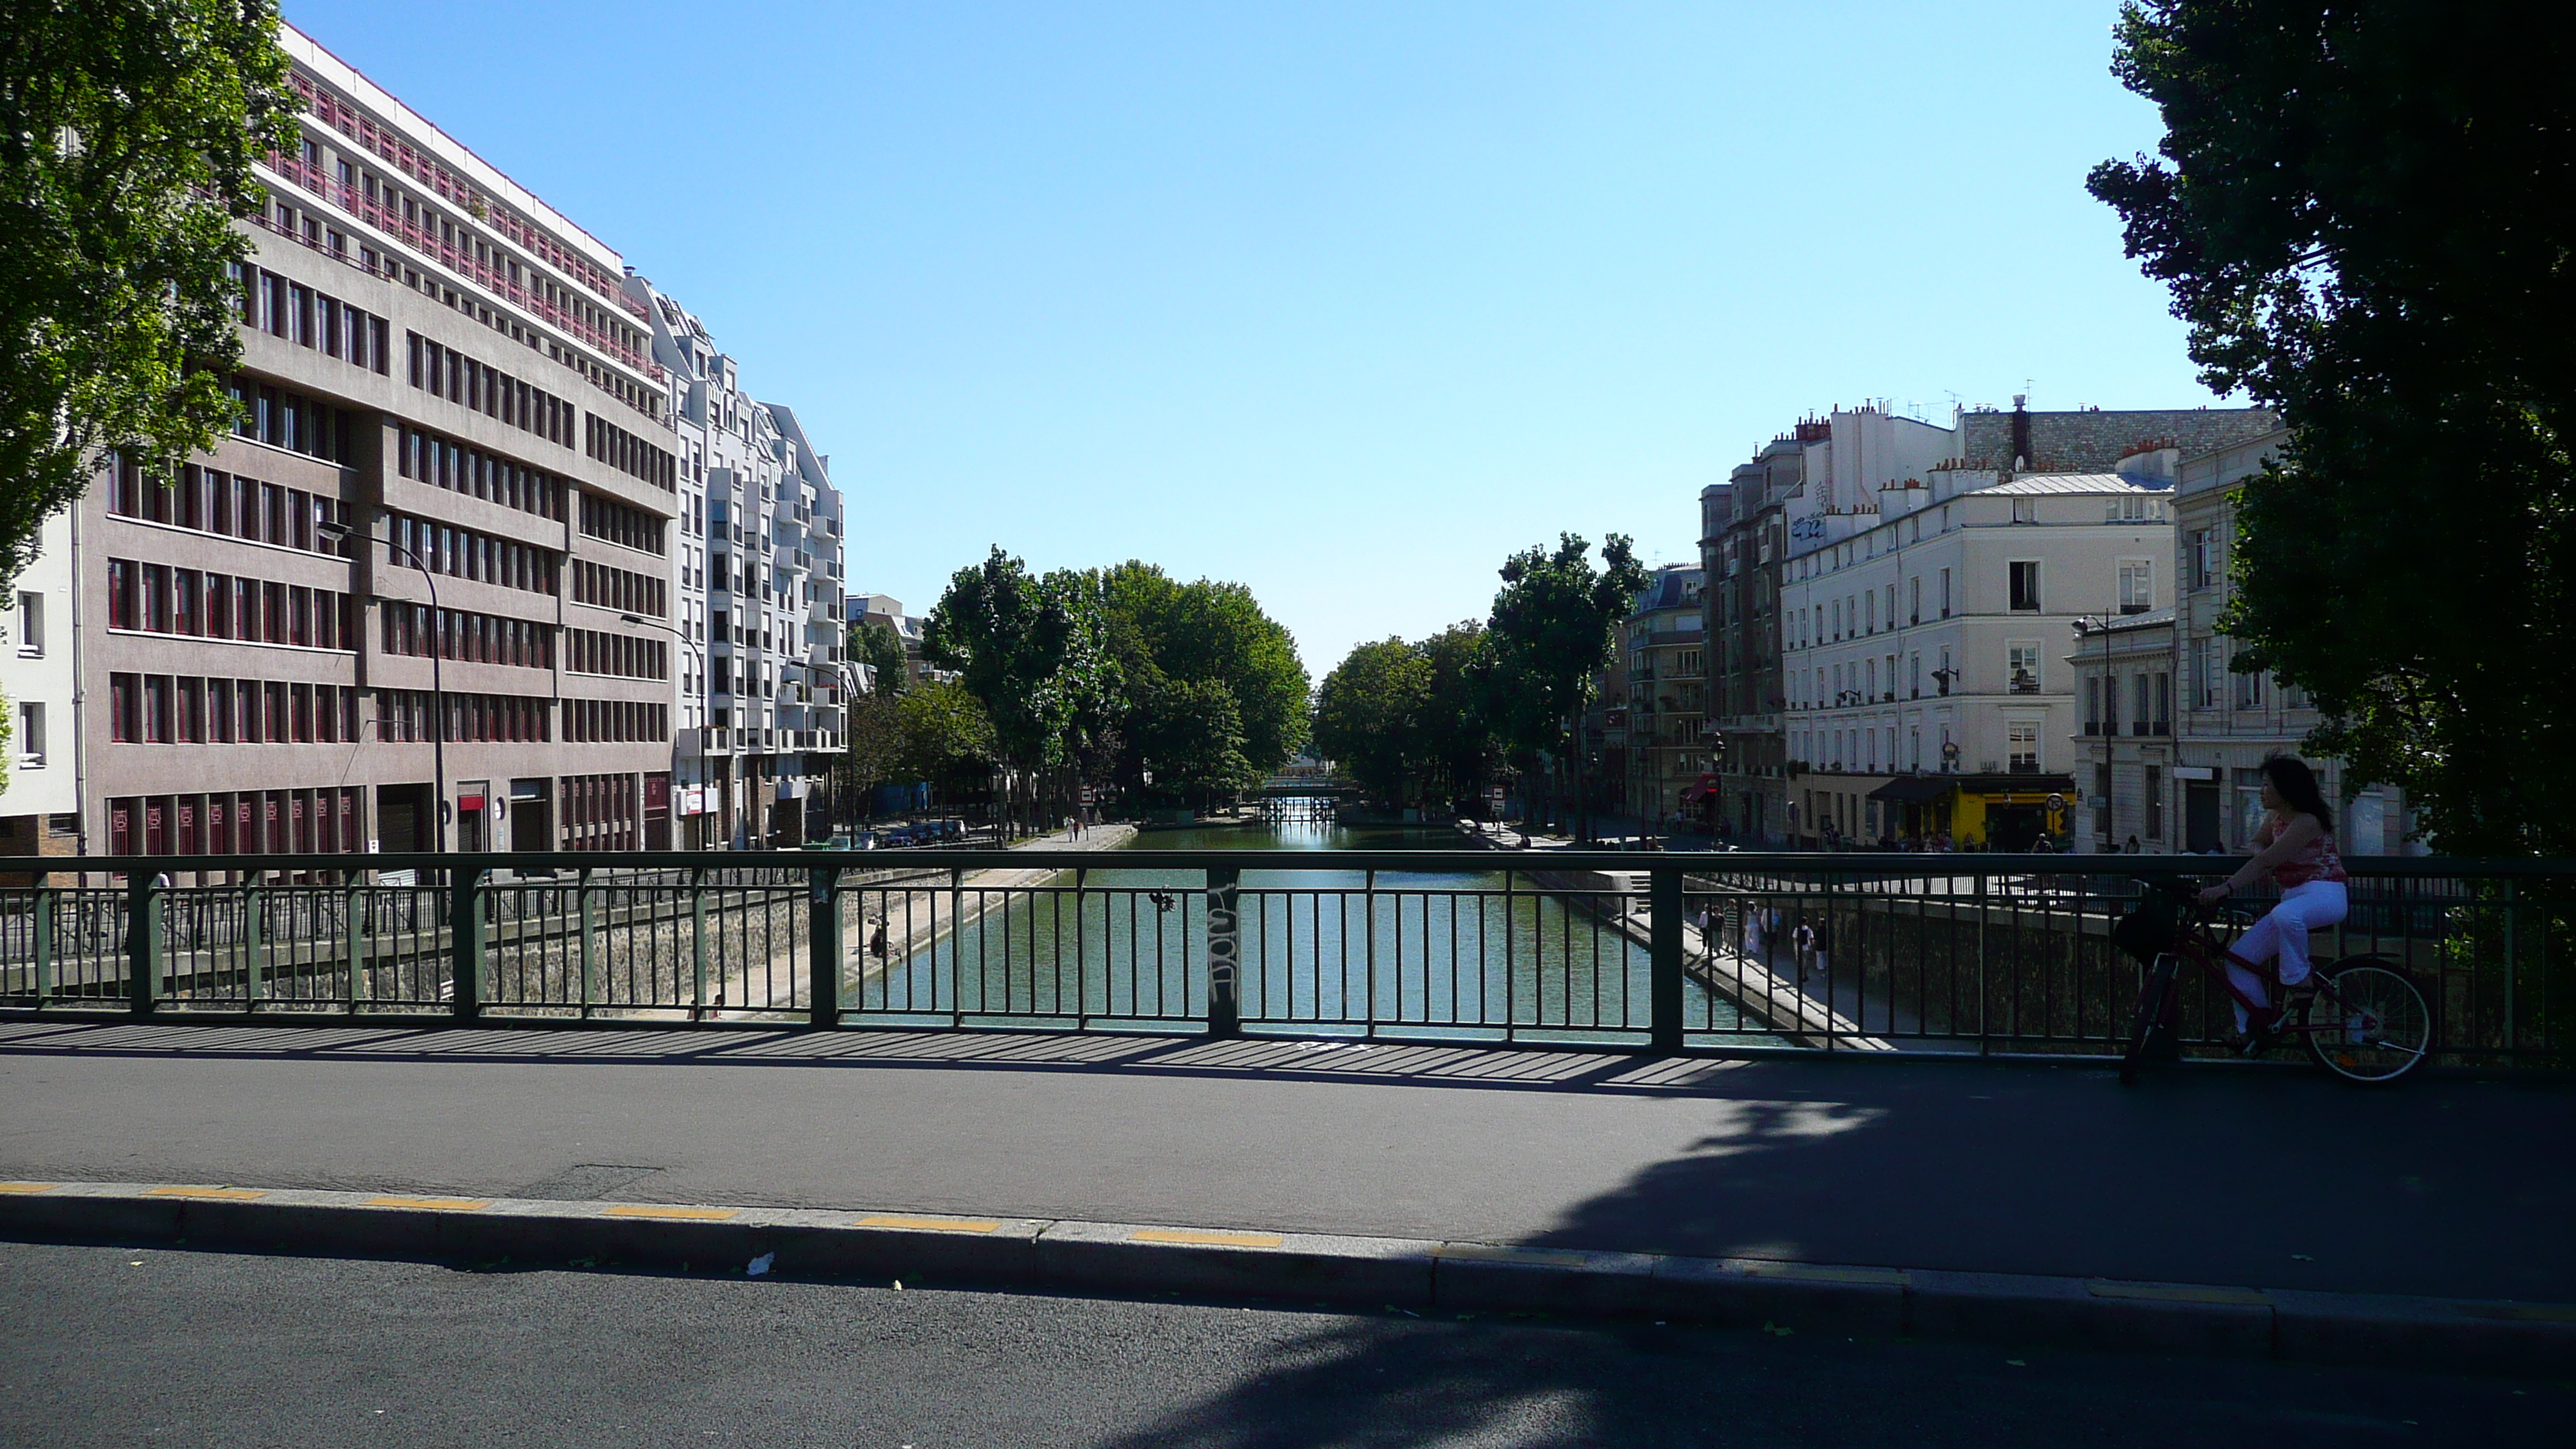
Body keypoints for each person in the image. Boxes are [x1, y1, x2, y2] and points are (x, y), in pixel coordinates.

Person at [2197, 756, 2348, 1050]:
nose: (2262, 791)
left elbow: (2266, 858)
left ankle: (2300, 980)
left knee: (2285, 915)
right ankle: (2253, 1028)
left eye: (2267, 785)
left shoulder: (2307, 821)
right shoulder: (2277, 818)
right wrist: (2264, 854)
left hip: (2324, 893)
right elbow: (2258, 845)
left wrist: (2225, 888)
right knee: (2238, 958)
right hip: (2292, 899)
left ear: (2286, 789)